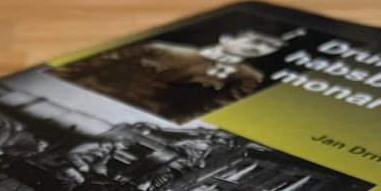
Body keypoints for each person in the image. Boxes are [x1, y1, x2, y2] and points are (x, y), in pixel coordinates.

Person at [53, 30, 286, 123]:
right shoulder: (161, 49)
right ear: (227, 38)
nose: (258, 49)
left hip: (137, 119)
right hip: (81, 98)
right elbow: (87, 65)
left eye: (268, 48)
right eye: (256, 41)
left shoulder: (247, 76)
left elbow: (208, 110)